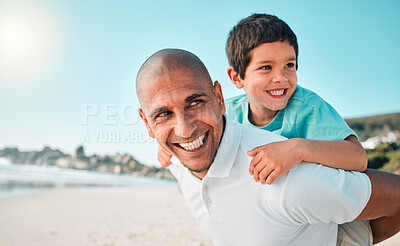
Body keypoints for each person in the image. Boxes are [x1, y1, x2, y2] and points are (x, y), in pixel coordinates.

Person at [136, 48, 400, 246]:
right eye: (163, 114)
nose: (184, 129)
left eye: (195, 103)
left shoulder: (287, 182)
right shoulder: (177, 159)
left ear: (218, 98)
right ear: (147, 124)